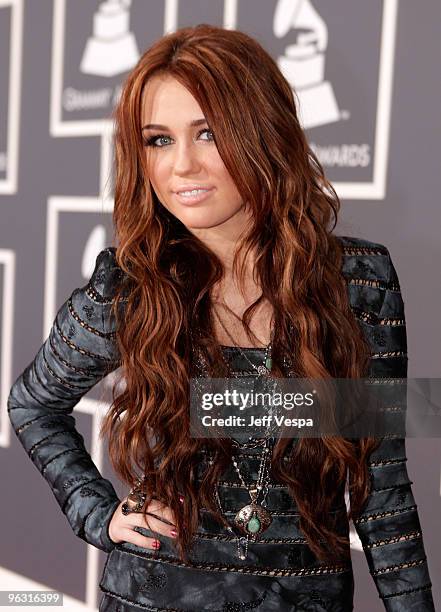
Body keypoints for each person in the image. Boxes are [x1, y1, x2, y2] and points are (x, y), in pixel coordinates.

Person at [7, 23, 435, 612]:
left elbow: (381, 485)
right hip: (151, 595)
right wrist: (96, 513)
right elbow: (32, 403)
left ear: (262, 132)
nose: (180, 166)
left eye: (206, 133)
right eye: (157, 140)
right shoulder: (132, 288)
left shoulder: (356, 284)